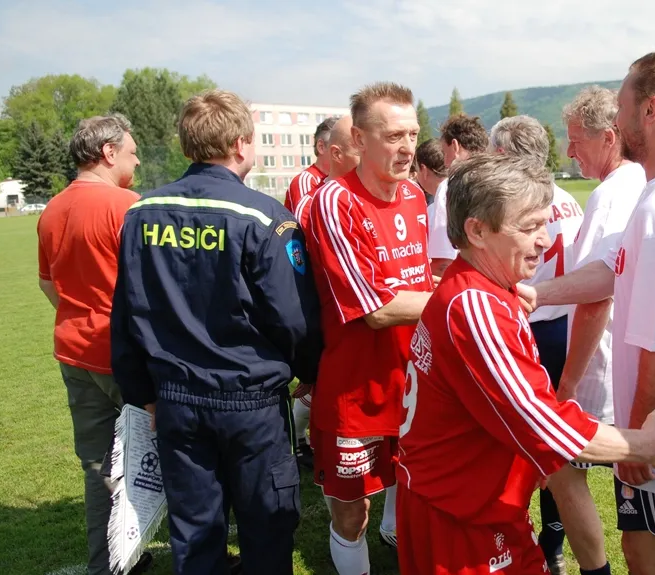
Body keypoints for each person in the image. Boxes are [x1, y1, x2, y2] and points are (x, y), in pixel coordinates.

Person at [395, 152, 655, 575]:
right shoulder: (475, 305)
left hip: (472, 505)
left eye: (544, 224)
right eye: (529, 227)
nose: (546, 240)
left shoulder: (488, 290)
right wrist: (647, 444)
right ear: (477, 231)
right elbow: (544, 425)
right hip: (461, 519)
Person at [518, 51, 655, 574]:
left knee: (642, 552)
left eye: (622, 107)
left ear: (651, 109)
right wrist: (536, 294)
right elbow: (615, 271)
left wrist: (638, 439)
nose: (615, 121)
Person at [110, 90, 323, 575]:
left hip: (176, 401)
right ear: (242, 143)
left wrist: (142, 394)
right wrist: (310, 371)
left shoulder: (141, 212)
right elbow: (293, 318)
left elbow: (124, 314)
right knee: (267, 529)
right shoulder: (266, 217)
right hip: (251, 404)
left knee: (195, 534)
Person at [306, 82, 432, 573]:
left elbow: (417, 281)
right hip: (357, 389)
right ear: (359, 139)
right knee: (351, 511)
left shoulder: (415, 197)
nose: (407, 148)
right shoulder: (334, 201)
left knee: (416, 488)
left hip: (413, 383)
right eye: (394, 136)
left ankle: (395, 533)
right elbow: (375, 309)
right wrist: (465, 300)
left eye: (413, 134)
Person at [36, 114, 150, 575]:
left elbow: (48, 285)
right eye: (132, 152)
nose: (137, 161)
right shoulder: (127, 205)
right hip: (125, 357)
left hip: (75, 353)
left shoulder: (52, 208)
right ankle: (204, 557)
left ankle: (108, 565)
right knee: (175, 456)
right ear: (108, 152)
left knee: (99, 469)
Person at [547, 86, 647, 575]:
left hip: (602, 365)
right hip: (627, 357)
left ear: (609, 137)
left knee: (562, 465)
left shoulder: (610, 194)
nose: (569, 151)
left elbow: (595, 294)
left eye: (576, 140)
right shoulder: (641, 181)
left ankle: (593, 569)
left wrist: (567, 384)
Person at [486, 114, 584, 573]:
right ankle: (553, 543)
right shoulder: (569, 199)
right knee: (553, 444)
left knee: (519, 436)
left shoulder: (512, 205)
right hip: (565, 328)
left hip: (527, 325)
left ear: (503, 154)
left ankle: (516, 535)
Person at [289, 114, 360, 469]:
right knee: (319, 384)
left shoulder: (353, 190)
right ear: (328, 148)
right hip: (322, 301)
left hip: (343, 307)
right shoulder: (309, 188)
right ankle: (299, 440)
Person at [427, 114, 489, 276]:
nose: (445, 163)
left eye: (444, 152)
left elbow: (443, 260)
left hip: (467, 279)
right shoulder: (503, 179)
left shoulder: (450, 186)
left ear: (454, 146)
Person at [414, 138, 447, 209]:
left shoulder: (436, 207)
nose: (416, 176)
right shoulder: (460, 191)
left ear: (424, 170)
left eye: (417, 169)